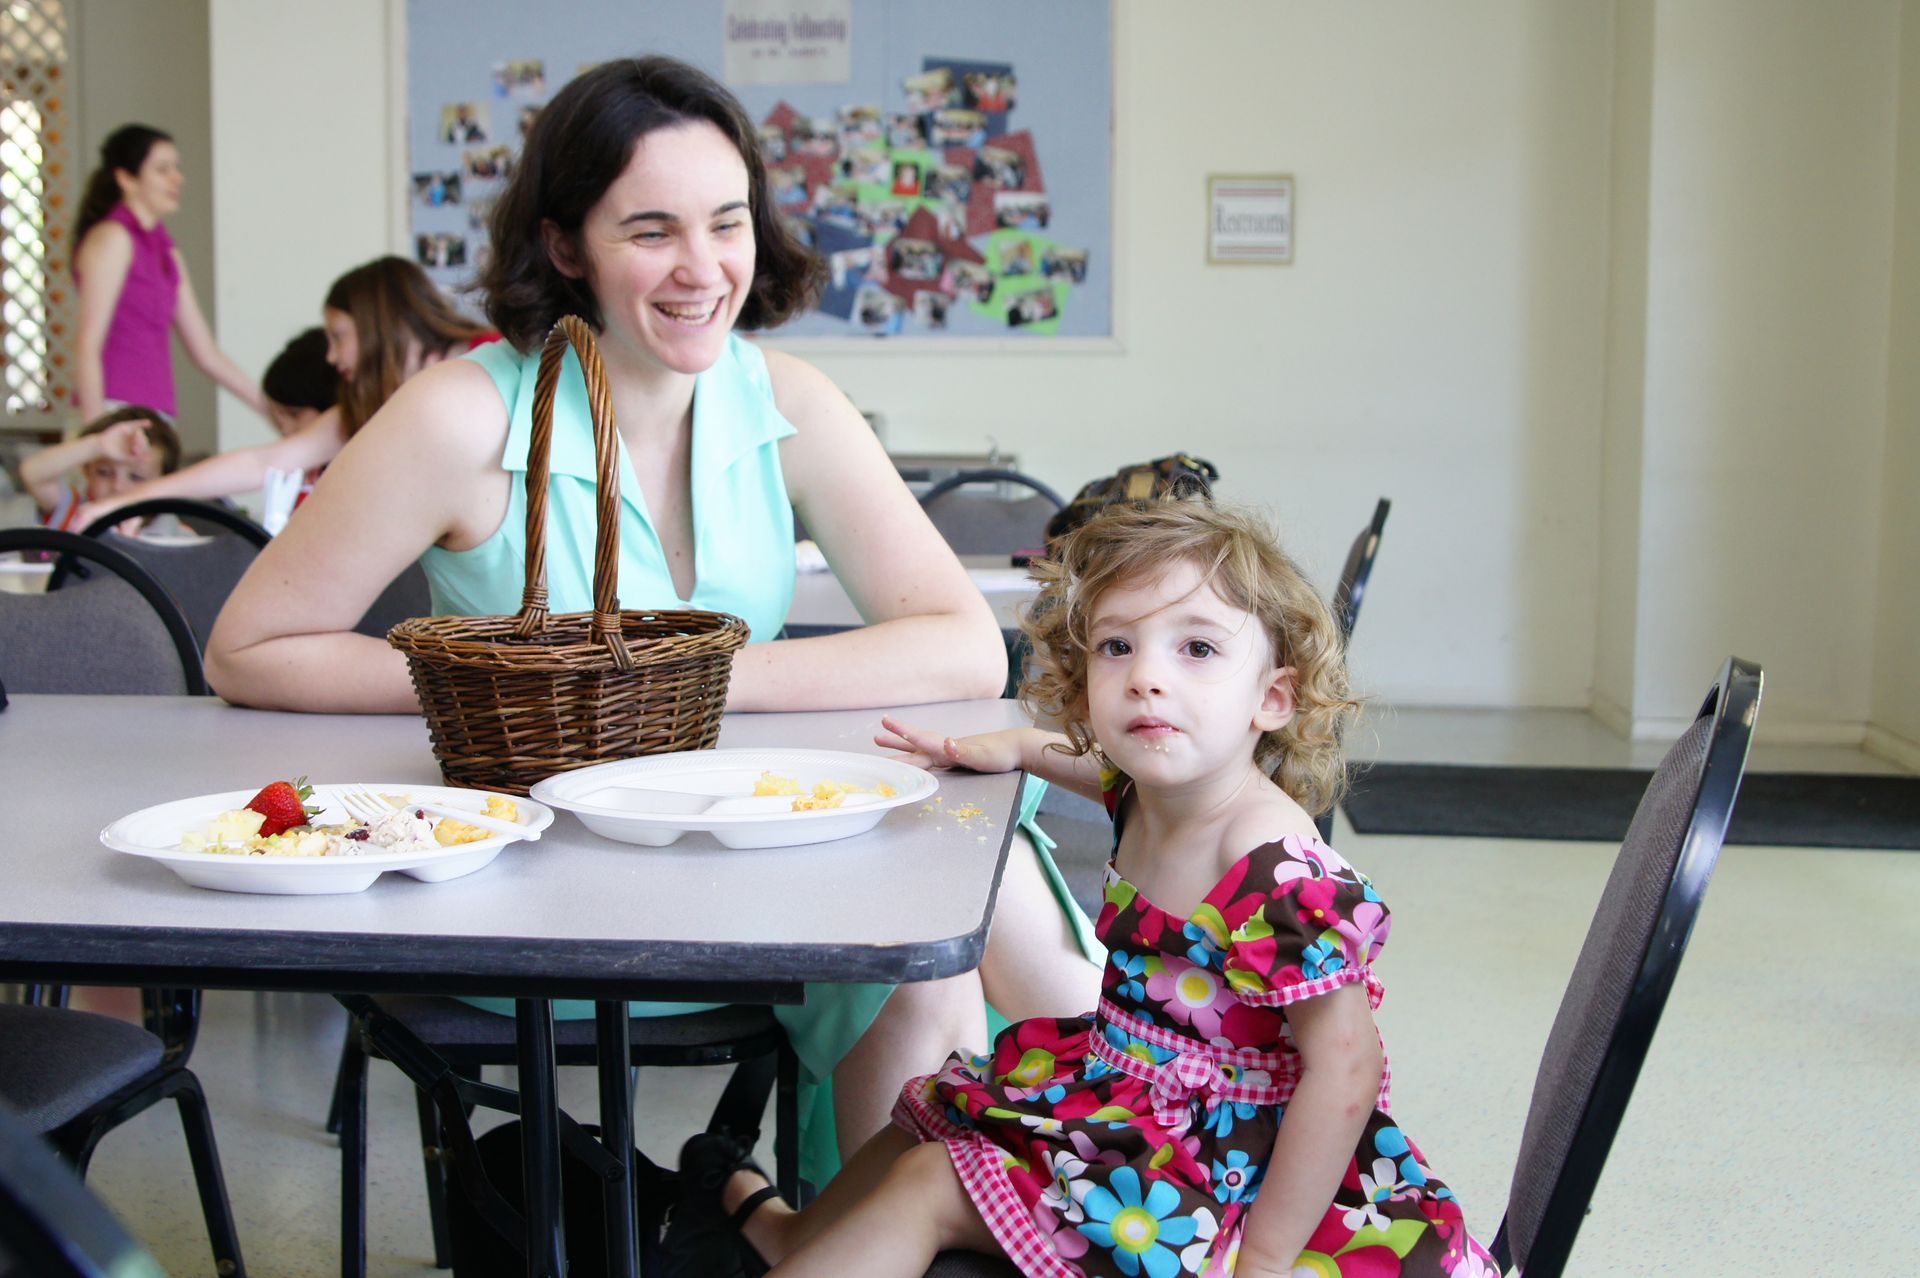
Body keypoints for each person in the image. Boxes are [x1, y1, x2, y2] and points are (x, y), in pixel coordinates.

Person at [203, 56, 1099, 1190]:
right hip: (542, 882)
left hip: (733, 845)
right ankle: (1108, 1186)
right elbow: (248, 649)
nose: (703, 269)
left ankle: (1105, 1170)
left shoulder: (781, 400)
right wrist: (521, 688)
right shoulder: (465, 414)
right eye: (651, 231)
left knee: (962, 899)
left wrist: (695, 685)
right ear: (566, 244)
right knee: (940, 948)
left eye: (727, 224)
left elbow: (963, 643)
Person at [665, 499, 1501, 1278]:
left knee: (933, 1182)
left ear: (1271, 698)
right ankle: (793, 1238)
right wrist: (1014, 748)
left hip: (1225, 1174)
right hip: (1131, 1096)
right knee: (933, 1113)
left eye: (1198, 648)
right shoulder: (1151, 787)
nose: (1147, 678)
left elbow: (1349, 1071)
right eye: (1117, 647)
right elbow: (1094, 767)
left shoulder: (1270, 864)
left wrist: (1267, 1260)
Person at [74, 258, 489, 530]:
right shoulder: (370, 404)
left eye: (338, 336)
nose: (330, 355)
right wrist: (126, 500)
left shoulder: (493, 358)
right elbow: (264, 462)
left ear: (377, 324)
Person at [72, 124, 265, 424]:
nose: (177, 178)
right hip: (110, 409)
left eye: (176, 168)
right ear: (126, 178)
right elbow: (88, 341)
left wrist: (273, 410)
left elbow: (206, 352)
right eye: (162, 170)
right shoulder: (113, 237)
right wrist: (95, 432)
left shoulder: (166, 251)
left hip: (156, 413)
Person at [21, 405, 182, 531]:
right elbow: (32, 473)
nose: (118, 486)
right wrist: (97, 446)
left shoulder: (171, 529)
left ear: (164, 482)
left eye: (136, 477)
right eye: (104, 472)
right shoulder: (72, 512)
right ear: (87, 470)